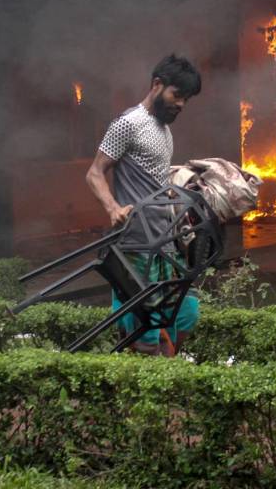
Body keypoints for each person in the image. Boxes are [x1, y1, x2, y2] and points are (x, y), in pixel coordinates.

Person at [85, 54, 202, 356]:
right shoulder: (128, 123)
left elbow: (157, 183)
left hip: (164, 241)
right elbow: (94, 173)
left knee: (184, 312)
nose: (181, 104)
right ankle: (149, 386)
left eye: (186, 99)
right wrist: (113, 208)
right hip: (136, 242)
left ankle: (164, 377)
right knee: (146, 329)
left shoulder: (165, 132)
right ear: (156, 85)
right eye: (177, 95)